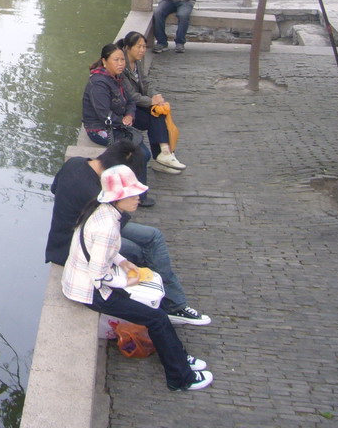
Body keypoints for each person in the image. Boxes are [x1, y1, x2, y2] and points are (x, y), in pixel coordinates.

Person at [61, 165, 214, 392]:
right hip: (91, 291)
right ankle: (180, 378)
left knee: (158, 313)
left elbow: (100, 250)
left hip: (87, 283)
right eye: (131, 195)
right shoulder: (107, 226)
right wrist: (126, 282)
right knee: (157, 319)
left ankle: (180, 357)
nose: (138, 199)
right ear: (117, 198)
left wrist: (122, 262)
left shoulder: (102, 212)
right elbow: (98, 274)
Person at [45, 140, 211, 326]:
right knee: (136, 251)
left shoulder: (74, 163)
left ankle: (174, 303)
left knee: (152, 236)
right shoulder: (99, 194)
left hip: (77, 233)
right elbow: (115, 225)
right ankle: (160, 304)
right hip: (77, 245)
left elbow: (54, 189)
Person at [82, 43, 154, 207]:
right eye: (116, 60)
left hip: (119, 125)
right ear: (104, 61)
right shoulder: (98, 84)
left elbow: (130, 100)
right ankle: (137, 195)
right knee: (139, 154)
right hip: (100, 128)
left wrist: (129, 114)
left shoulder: (118, 77)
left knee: (141, 151)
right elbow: (103, 114)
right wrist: (121, 121)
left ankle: (134, 190)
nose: (121, 63)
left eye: (122, 59)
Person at [118, 31, 185, 173]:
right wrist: (151, 101)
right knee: (155, 116)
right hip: (126, 110)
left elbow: (146, 82)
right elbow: (131, 95)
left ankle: (163, 156)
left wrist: (156, 96)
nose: (142, 50)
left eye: (144, 46)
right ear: (127, 48)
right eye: (139, 47)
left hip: (138, 105)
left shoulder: (137, 62)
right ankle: (164, 155)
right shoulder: (121, 66)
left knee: (158, 111)